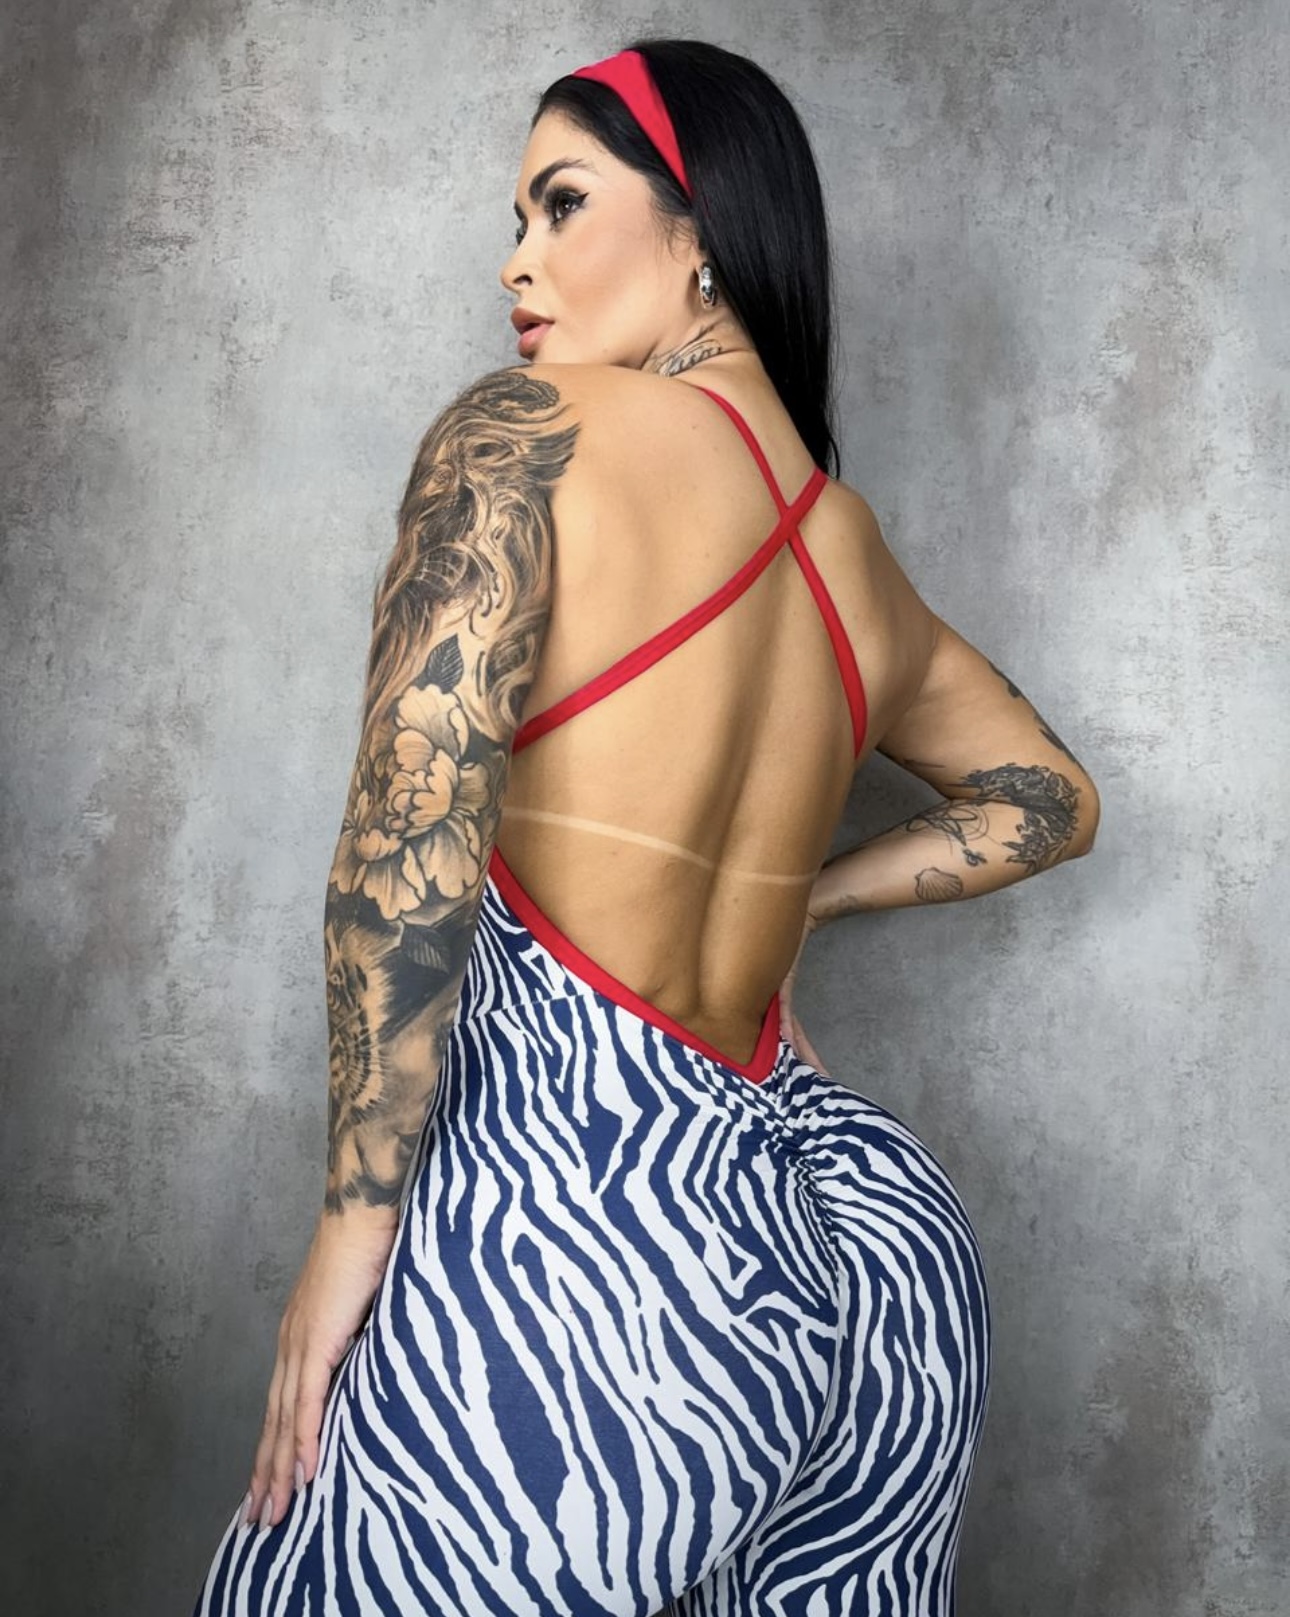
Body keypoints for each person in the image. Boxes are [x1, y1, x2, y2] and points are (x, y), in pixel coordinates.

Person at [192, 37, 1099, 1617]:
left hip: (575, 1267)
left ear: (702, 235)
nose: (514, 261)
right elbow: (1049, 799)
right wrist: (802, 901)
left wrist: (353, 1226)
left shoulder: (523, 435)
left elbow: (409, 824)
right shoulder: (853, 556)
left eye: (560, 205)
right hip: (855, 1269)